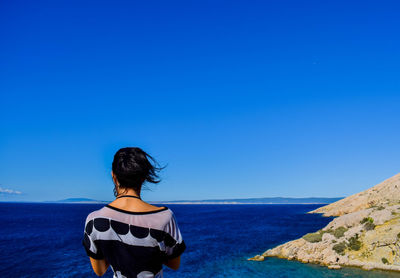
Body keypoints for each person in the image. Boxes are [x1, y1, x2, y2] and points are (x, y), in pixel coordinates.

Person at [82, 147, 186, 278]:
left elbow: (100, 270)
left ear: (113, 175)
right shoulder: (164, 217)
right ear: (143, 178)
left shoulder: (94, 220)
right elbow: (174, 264)